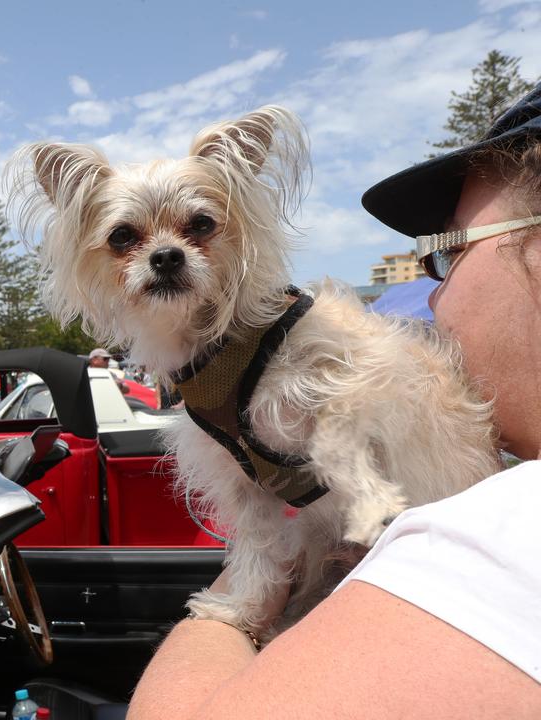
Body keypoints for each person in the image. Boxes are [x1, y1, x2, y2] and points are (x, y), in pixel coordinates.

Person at [127, 84, 541, 718]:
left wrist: (236, 614)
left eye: (450, 254)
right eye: (126, 236)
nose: (430, 300)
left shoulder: (508, 533)